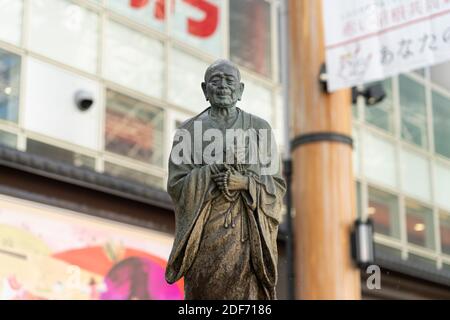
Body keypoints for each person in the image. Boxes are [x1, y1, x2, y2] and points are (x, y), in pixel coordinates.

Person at [165, 59, 286, 299]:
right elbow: (177, 185)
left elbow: (277, 186)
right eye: (215, 80)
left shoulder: (260, 129)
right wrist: (212, 172)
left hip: (245, 233)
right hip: (205, 230)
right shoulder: (188, 131)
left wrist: (244, 183)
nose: (222, 86)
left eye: (229, 80)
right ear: (204, 89)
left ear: (240, 90)